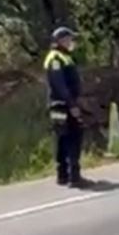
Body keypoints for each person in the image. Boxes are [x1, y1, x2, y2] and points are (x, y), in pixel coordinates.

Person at [44, 27, 88, 187]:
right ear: (60, 41)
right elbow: (60, 85)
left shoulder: (63, 56)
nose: (71, 42)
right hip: (62, 105)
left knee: (62, 138)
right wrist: (72, 105)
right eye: (69, 39)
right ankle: (73, 176)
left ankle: (63, 175)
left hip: (59, 105)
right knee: (73, 137)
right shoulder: (56, 58)